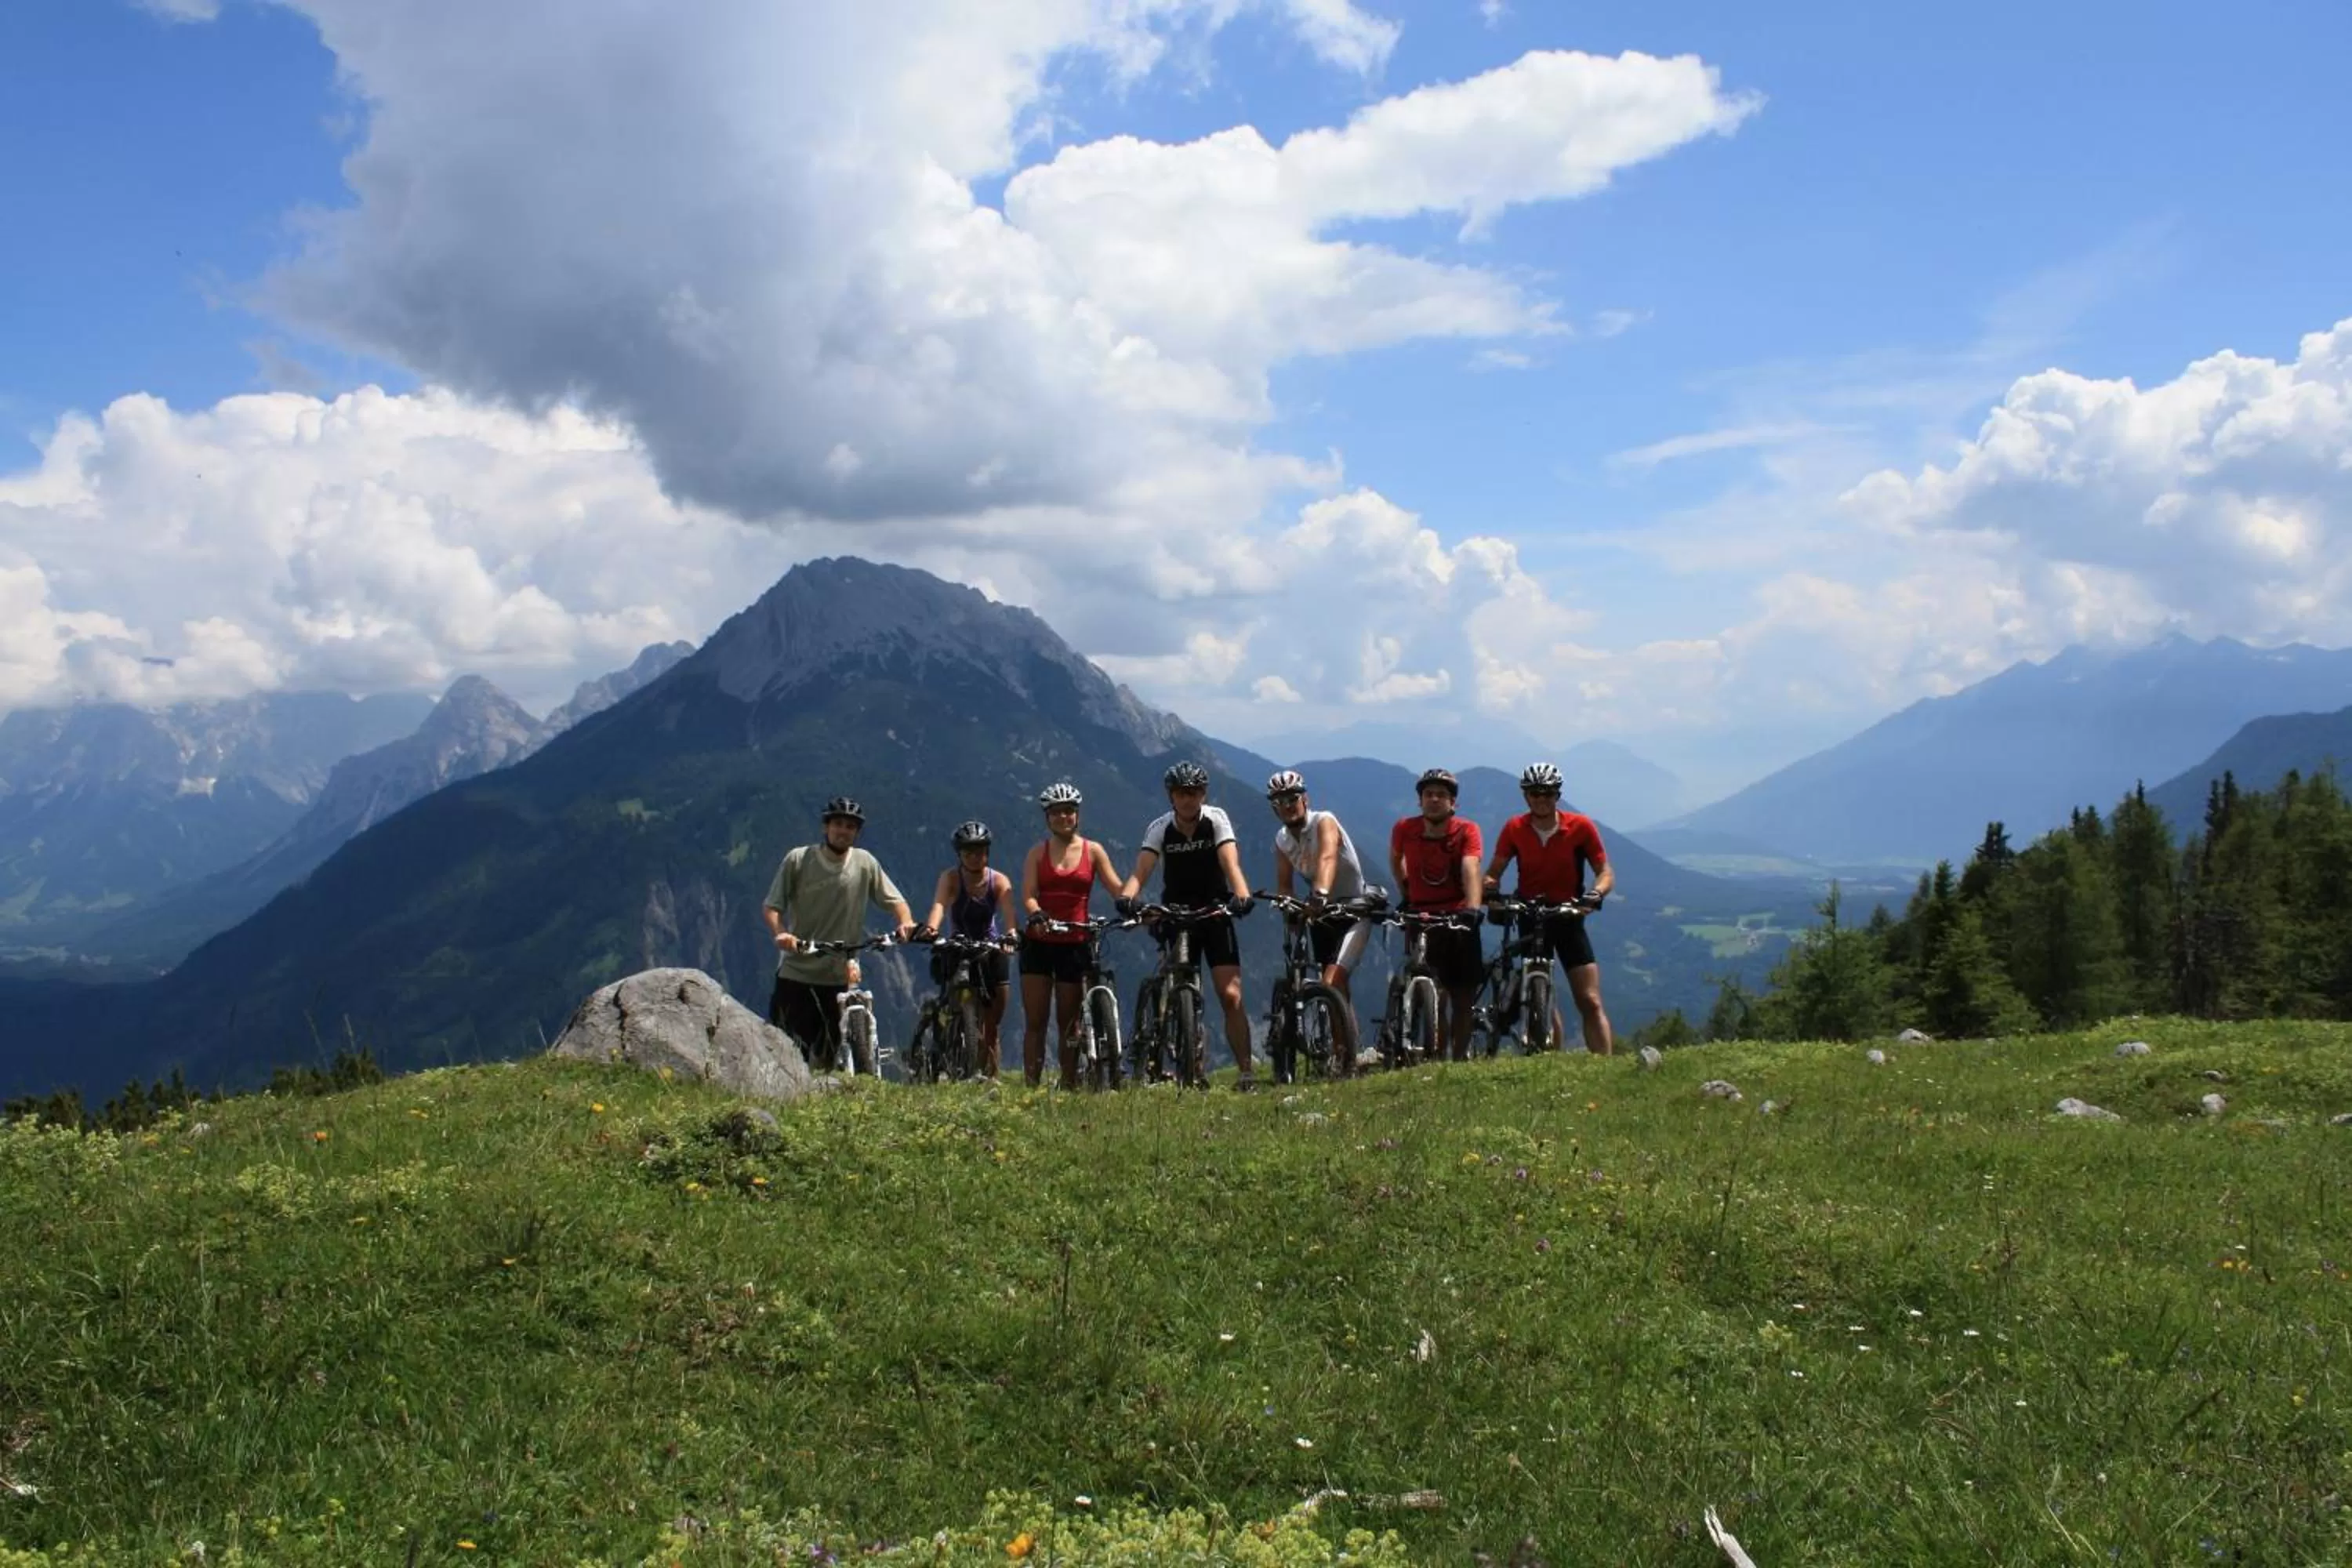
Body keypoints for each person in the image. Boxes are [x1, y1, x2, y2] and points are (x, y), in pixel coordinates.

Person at [1116, 760, 1258, 1087]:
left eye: (1193, 793)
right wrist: (1127, 898)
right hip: (1176, 915)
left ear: (1203, 794)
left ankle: (1246, 1071)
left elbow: (1230, 862)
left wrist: (1241, 894)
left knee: (1231, 995)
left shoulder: (1216, 819)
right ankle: (1190, 1069)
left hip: (1215, 913)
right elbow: (1141, 872)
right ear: (1171, 796)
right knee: (1182, 989)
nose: (1187, 799)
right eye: (1181, 793)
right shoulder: (1160, 827)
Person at [762, 795, 916, 1065]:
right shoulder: (798, 859)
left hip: (839, 975)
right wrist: (781, 933)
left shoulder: (865, 863)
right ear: (826, 827)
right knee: (785, 1053)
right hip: (797, 971)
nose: (843, 830)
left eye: (850, 826)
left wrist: (905, 922)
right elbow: (772, 907)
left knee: (830, 1055)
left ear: (857, 832)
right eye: (838, 824)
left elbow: (896, 901)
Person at [1485, 761, 1616, 1054]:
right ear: (1526, 796)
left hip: (1569, 916)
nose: (1541, 799)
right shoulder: (1515, 828)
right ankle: (1550, 1062)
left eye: (1547, 793)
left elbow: (1605, 871)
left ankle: (1606, 1067)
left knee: (1590, 1000)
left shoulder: (1580, 827)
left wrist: (1595, 895)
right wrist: (1490, 890)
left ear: (1558, 795)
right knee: (1539, 996)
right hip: (1531, 915)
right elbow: (1494, 871)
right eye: (1534, 793)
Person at [1018, 782, 1123, 1090]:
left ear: (1077, 815)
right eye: (1056, 813)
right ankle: (1031, 1086)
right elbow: (1028, 895)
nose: (1064, 817)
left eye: (1069, 811)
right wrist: (1036, 912)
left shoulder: (1094, 851)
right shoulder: (1038, 853)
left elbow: (1116, 887)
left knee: (1069, 1022)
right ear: (1047, 818)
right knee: (1035, 1022)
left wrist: (1133, 903)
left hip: (1075, 943)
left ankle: (1069, 1083)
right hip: (1039, 940)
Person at [1387, 768, 1485, 1062]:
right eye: (1428, 794)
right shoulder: (1405, 828)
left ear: (1453, 803)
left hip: (1459, 916)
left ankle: (1459, 1057)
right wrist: (1406, 893)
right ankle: (1436, 1055)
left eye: (1441, 795)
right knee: (1436, 993)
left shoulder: (1467, 830)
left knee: (1463, 996)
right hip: (1422, 918)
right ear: (1420, 801)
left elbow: (1471, 868)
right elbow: (1395, 859)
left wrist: (1472, 907)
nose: (1434, 800)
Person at [1266, 768, 1374, 1022]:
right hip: (1322, 916)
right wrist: (1289, 911)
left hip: (1353, 911)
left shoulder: (1324, 821)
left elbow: (1327, 857)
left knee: (1331, 982)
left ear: (1306, 800)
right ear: (1274, 808)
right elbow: (1284, 883)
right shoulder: (1282, 839)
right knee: (1334, 989)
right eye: (1280, 801)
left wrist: (1320, 893)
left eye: (1293, 798)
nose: (1288, 805)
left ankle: (1344, 1053)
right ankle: (1343, 1054)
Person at [920, 820, 1018, 1078]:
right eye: (968, 852)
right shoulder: (951, 878)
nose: (975, 857)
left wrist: (1011, 936)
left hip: (990, 947)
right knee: (952, 1008)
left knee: (992, 1022)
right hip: (958, 946)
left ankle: (992, 1079)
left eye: (981, 851)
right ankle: (946, 1053)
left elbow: (1009, 916)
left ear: (988, 852)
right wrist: (931, 929)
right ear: (959, 854)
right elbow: (940, 905)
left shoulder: (998, 881)